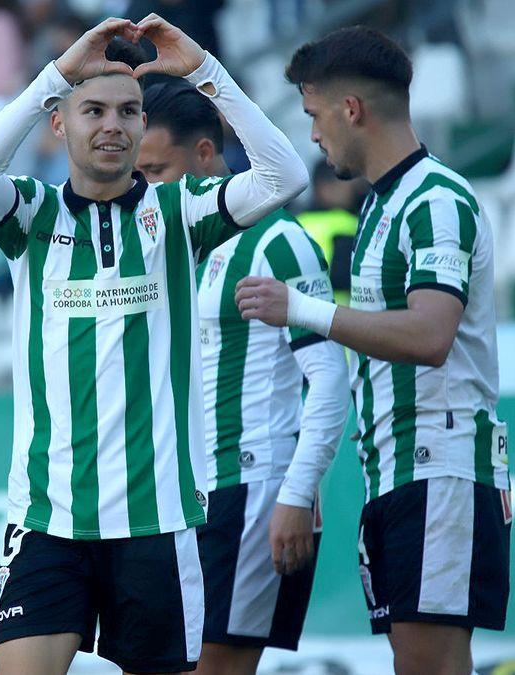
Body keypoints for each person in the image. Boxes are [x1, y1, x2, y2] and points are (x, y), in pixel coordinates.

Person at [0, 14, 309, 675]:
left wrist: (205, 71)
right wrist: (54, 76)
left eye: (127, 111)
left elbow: (284, 176)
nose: (112, 124)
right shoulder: (33, 216)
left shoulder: (177, 214)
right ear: (59, 125)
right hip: (46, 518)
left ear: (144, 124)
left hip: (157, 524)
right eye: (92, 110)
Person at [235, 26, 510, 675]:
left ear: (350, 109)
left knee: (430, 661)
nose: (313, 135)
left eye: (313, 115)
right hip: (398, 467)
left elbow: (431, 335)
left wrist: (301, 308)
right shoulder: (385, 205)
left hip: (440, 463)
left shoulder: (435, 200)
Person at [136, 80, 349, 675]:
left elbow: (330, 382)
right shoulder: (167, 244)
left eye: (157, 171)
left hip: (255, 489)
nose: (146, 188)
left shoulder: (279, 241)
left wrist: (296, 494)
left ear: (206, 154)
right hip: (185, 495)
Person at [295, 159, 366, 306]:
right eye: (345, 181)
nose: (353, 188)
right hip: (338, 318)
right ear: (325, 188)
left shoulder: (295, 222)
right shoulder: (345, 224)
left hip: (295, 316)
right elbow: (349, 279)